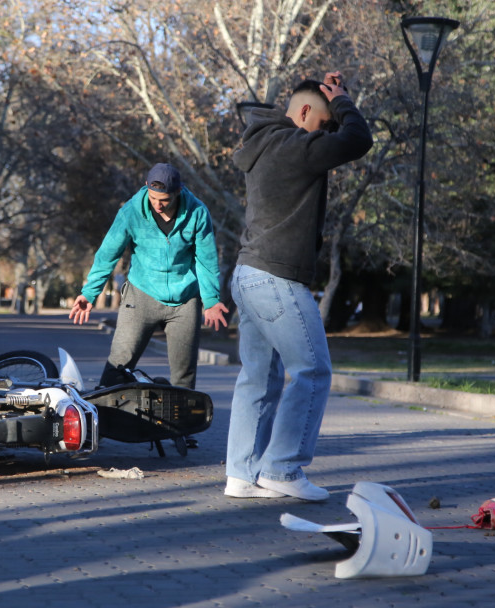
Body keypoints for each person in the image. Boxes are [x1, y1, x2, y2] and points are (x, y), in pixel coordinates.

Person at [225, 72, 373, 500]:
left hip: (248, 274)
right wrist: (343, 99)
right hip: (276, 278)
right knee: (312, 371)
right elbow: (358, 140)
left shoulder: (264, 143)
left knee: (258, 378)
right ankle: (283, 470)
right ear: (305, 113)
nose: (328, 133)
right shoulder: (296, 146)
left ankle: (242, 473)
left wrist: (335, 104)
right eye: (325, 123)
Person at [69, 163, 229, 391]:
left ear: (178, 191)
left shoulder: (197, 212)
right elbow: (107, 255)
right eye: (153, 197)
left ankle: (178, 426)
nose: (157, 204)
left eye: (164, 199)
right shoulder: (131, 212)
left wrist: (211, 300)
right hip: (142, 295)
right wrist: (89, 293)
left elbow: (206, 260)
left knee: (184, 377)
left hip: (184, 301)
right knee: (118, 367)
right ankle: (105, 419)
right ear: (146, 187)